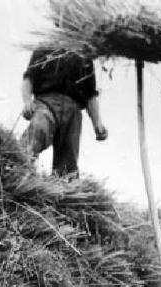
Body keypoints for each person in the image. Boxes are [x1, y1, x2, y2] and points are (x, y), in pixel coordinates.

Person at [21, 15, 108, 177]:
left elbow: (90, 94)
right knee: (38, 130)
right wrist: (27, 102)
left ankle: (64, 190)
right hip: (46, 103)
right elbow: (29, 78)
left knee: (67, 162)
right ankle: (16, 166)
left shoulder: (84, 56)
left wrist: (97, 123)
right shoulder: (45, 48)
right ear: (60, 22)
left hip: (73, 110)